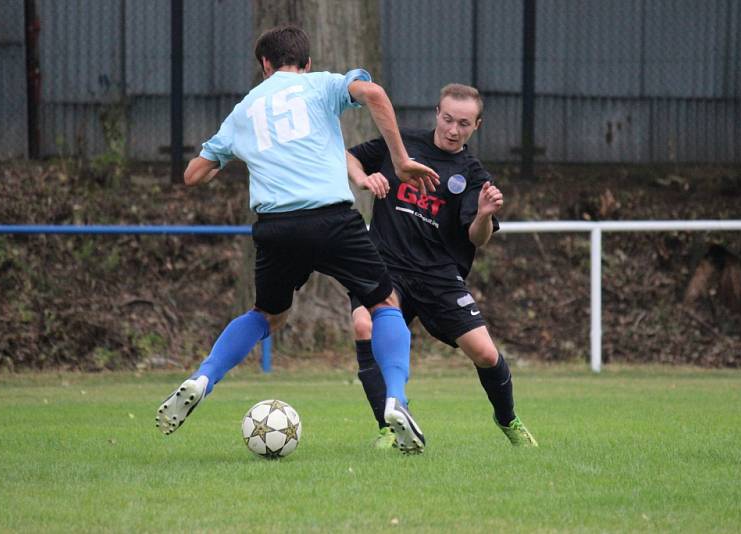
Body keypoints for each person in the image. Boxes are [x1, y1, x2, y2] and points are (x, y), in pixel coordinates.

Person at [155, 25, 439, 455]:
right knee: (384, 304)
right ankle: (395, 399)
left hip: (275, 228)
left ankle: (204, 376)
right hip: (331, 219)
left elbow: (193, 174)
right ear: (304, 63)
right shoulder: (319, 84)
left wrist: (222, 158)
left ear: (264, 66)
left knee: (268, 315)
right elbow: (375, 94)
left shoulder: (243, 110)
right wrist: (400, 160)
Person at [346, 84, 538, 449]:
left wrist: (483, 214)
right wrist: (362, 178)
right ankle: (390, 427)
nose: (453, 129)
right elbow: (349, 156)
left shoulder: (474, 176)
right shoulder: (401, 145)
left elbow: (478, 239)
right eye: (448, 119)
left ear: (476, 126)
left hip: (438, 276)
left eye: (463, 123)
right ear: (437, 112)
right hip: (386, 264)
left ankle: (508, 419)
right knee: (363, 324)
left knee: (484, 352)